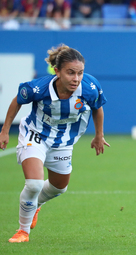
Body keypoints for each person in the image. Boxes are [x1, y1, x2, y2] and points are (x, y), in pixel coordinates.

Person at [0, 44, 110, 243]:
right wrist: (5, 130)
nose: (76, 79)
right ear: (57, 71)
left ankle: (35, 205)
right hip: (36, 135)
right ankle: (22, 231)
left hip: (64, 141)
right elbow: (17, 101)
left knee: (59, 187)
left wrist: (99, 135)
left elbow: (97, 108)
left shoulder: (90, 87)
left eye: (80, 73)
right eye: (70, 73)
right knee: (33, 184)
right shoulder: (38, 88)